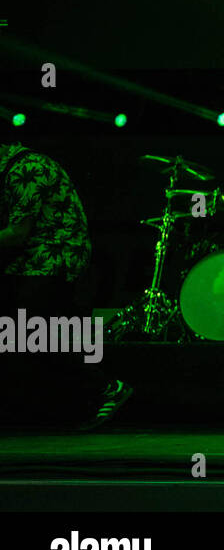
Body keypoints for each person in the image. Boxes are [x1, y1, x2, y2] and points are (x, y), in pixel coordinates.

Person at [0, 142, 131, 429]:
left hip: (55, 254)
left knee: (28, 331)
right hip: (28, 260)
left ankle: (105, 386)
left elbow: (17, 233)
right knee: (25, 333)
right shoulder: (8, 172)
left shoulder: (27, 169)